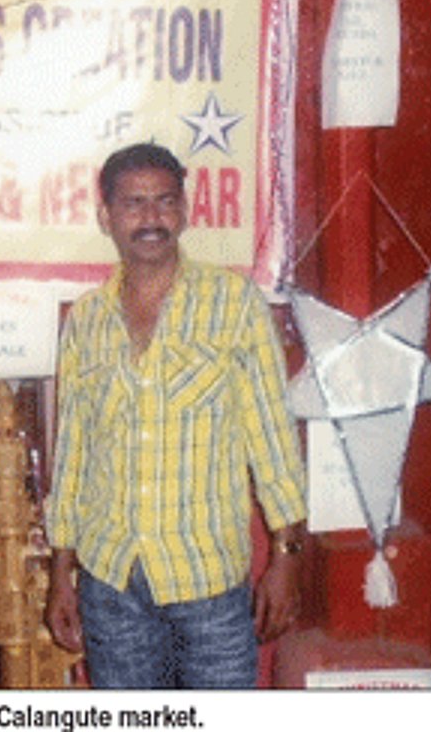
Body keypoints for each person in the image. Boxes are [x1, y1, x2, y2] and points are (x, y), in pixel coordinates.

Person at [43, 142, 306, 689]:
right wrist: (61, 573)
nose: (151, 218)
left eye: (165, 201)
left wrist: (285, 557)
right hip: (111, 583)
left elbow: (272, 439)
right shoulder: (87, 320)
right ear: (106, 217)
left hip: (207, 582)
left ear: (184, 212)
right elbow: (73, 454)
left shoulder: (233, 302)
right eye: (133, 204)